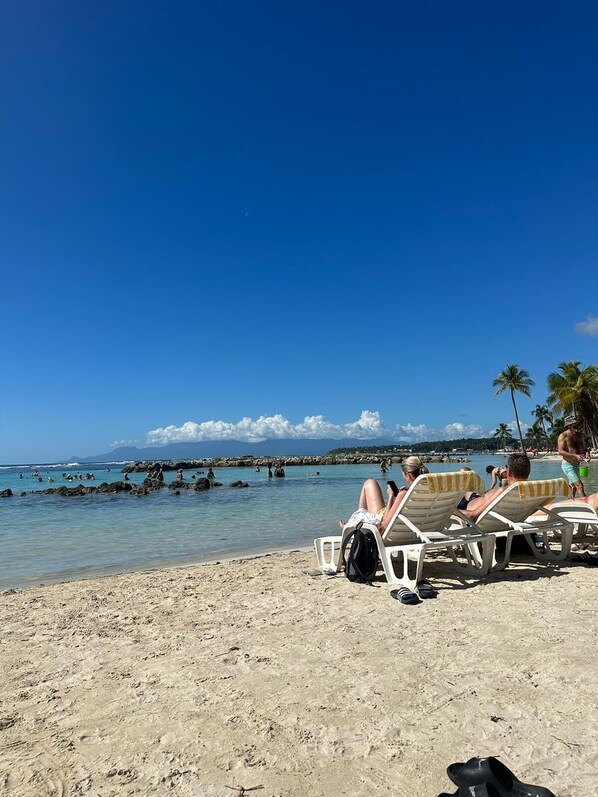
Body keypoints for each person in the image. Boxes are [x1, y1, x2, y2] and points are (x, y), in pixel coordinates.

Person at [339, 456, 429, 533]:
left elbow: (384, 525)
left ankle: (354, 527)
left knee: (370, 483)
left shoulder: (404, 494)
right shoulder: (432, 491)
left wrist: (390, 497)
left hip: (391, 530)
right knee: (371, 483)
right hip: (420, 530)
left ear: (407, 475)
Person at [461, 454, 532, 521]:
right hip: (493, 510)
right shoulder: (531, 491)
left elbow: (471, 516)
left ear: (508, 472)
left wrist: (451, 511)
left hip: (469, 505)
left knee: (463, 471)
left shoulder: (504, 491)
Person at [557, 415, 591, 498]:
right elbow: (560, 451)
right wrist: (574, 456)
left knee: (573, 487)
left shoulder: (579, 435)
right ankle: (586, 506)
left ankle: (569, 502)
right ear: (569, 425)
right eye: (574, 423)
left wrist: (588, 454)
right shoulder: (563, 436)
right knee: (579, 485)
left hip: (577, 465)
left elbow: (585, 448)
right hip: (568, 465)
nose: (576, 424)